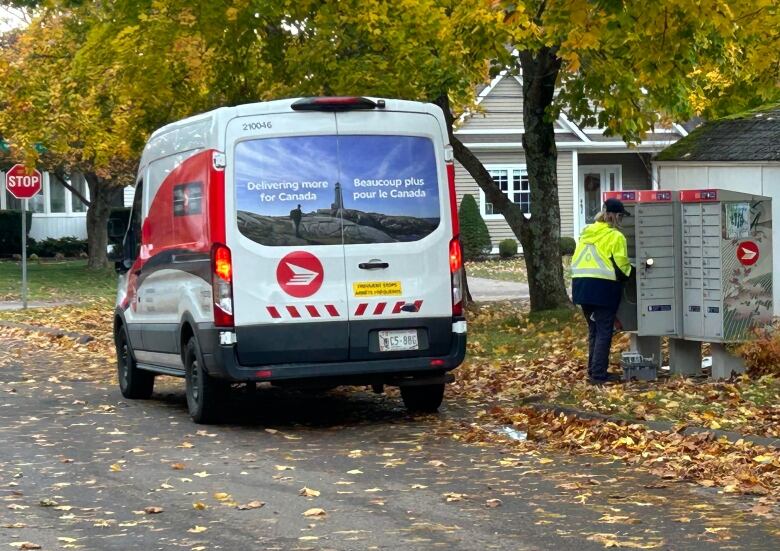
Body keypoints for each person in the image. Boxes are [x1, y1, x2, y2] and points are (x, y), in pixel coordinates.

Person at [571, 198, 633, 385]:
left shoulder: (587, 232)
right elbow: (622, 267)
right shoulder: (616, 237)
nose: (621, 220)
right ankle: (598, 375)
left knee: (594, 330)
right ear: (614, 216)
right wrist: (629, 275)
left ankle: (593, 370)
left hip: (581, 287)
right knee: (604, 331)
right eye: (621, 216)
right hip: (602, 289)